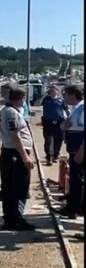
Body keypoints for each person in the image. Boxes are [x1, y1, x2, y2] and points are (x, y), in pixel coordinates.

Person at [0, 87, 36, 230]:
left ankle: (10, 218)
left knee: (9, 187)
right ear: (19, 99)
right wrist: (25, 157)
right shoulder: (12, 113)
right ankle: (16, 219)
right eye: (23, 99)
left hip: (11, 152)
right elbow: (15, 135)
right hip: (15, 153)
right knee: (19, 187)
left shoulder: (6, 111)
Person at [56, 84, 84, 219]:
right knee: (74, 179)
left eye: (65, 94)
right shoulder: (75, 108)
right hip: (74, 149)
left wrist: (81, 151)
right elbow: (64, 126)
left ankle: (75, 208)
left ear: (73, 95)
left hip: (79, 150)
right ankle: (72, 206)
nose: (63, 97)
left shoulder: (82, 108)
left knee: (78, 180)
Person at [39, 86, 69, 165]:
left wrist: (68, 119)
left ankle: (55, 155)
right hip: (48, 122)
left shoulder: (61, 100)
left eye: (54, 90)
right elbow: (36, 104)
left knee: (58, 140)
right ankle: (49, 157)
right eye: (51, 90)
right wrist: (43, 95)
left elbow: (66, 110)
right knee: (48, 140)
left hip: (59, 122)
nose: (52, 92)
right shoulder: (46, 99)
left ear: (57, 91)